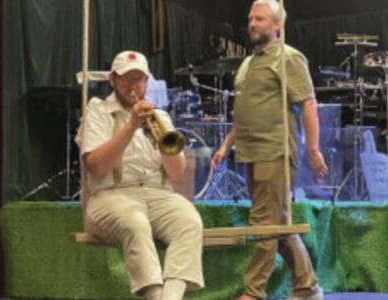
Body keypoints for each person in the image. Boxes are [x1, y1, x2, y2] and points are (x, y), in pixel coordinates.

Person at [211, 1, 328, 299]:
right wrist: (226, 145)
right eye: (250, 17)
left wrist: (313, 149)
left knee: (265, 223)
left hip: (274, 150)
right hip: (250, 151)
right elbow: (246, 111)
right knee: (278, 223)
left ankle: (254, 291)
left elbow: (308, 104)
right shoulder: (249, 63)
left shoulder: (288, 58)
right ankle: (307, 288)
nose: (252, 22)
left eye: (259, 18)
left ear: (277, 25)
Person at [77, 50, 204, 300]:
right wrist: (131, 127)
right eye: (127, 79)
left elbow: (177, 173)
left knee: (190, 221)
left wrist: (158, 135)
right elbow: (96, 167)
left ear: (147, 82)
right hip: (110, 195)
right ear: (113, 79)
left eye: (140, 79)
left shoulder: (161, 116)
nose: (134, 86)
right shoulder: (98, 110)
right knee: (136, 223)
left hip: (158, 194)